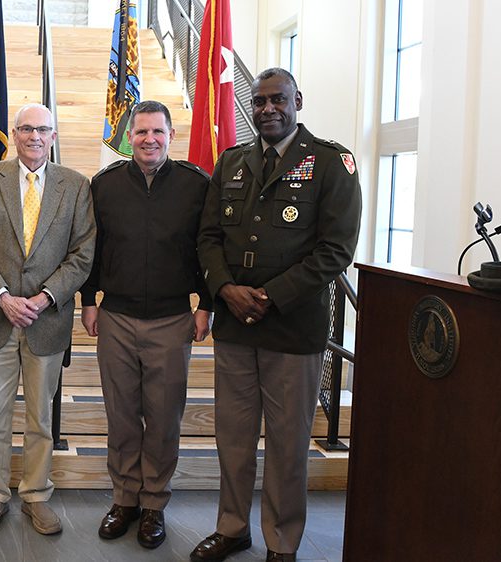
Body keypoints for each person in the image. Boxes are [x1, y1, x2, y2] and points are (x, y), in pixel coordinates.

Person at [192, 68, 362, 562]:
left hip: (293, 327)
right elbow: (208, 238)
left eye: (278, 100)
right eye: (260, 101)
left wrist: (268, 295)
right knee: (234, 438)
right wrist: (225, 288)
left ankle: (282, 543)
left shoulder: (332, 163)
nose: (268, 109)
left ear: (297, 101)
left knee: (288, 446)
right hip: (235, 326)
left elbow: (336, 250)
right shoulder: (232, 162)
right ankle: (232, 528)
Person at [79, 100, 213, 550]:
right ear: (128, 137)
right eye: (140, 133)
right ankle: (125, 500)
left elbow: (208, 250)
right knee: (121, 417)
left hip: (173, 319)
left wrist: (206, 305)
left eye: (157, 132)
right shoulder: (106, 185)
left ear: (170, 135)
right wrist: (88, 300)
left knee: (163, 418)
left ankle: (154, 503)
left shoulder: (196, 186)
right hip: (115, 316)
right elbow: (92, 249)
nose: (149, 140)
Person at [0, 103, 96, 536]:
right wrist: (3, 296)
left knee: (40, 418)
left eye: (42, 129)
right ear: (13, 135)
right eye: (25, 129)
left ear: (52, 136)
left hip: (47, 320)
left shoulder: (76, 185)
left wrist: (44, 297)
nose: (34, 136)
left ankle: (36, 494)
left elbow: (82, 254)